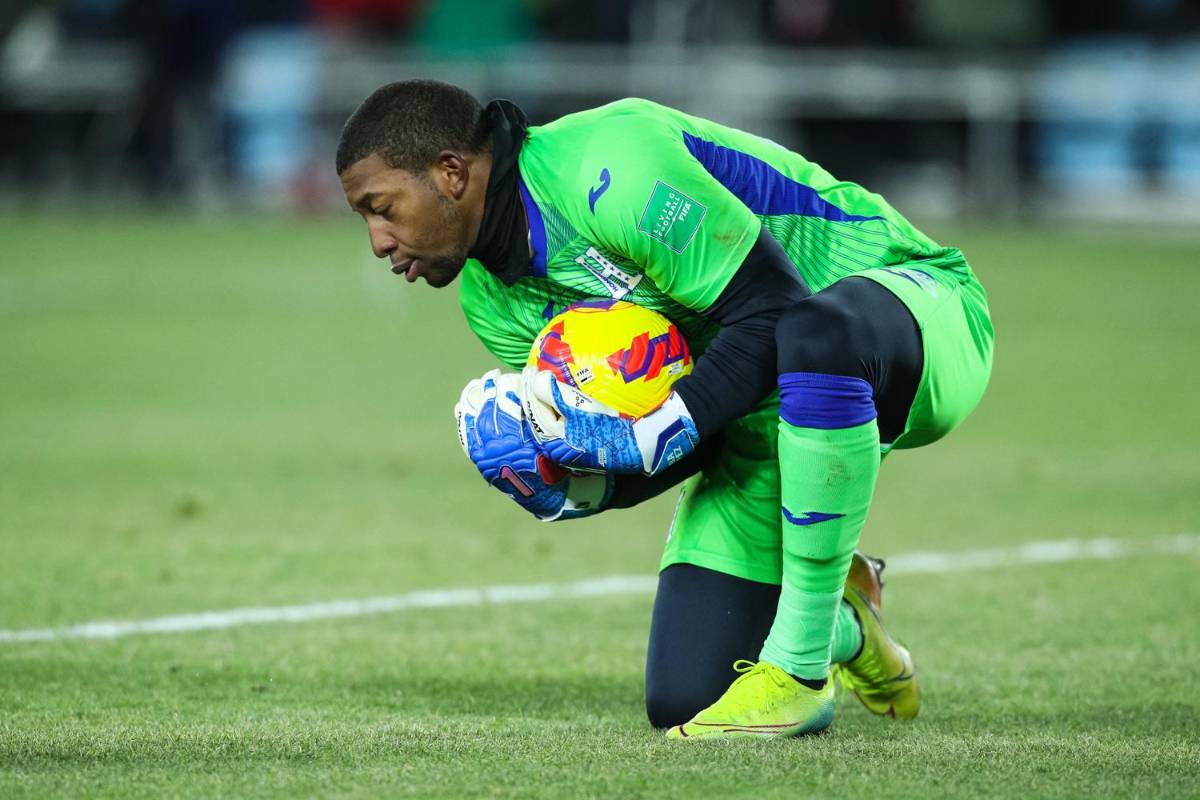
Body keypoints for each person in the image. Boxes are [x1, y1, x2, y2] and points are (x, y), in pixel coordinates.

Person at [337, 80, 993, 739]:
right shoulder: (491, 304)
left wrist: (651, 433)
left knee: (815, 334)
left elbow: (775, 310)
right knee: (686, 697)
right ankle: (845, 622)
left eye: (381, 207)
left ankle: (799, 674)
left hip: (915, 316)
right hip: (757, 418)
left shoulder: (607, 160)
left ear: (450, 173)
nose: (378, 242)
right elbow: (688, 438)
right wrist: (575, 484)